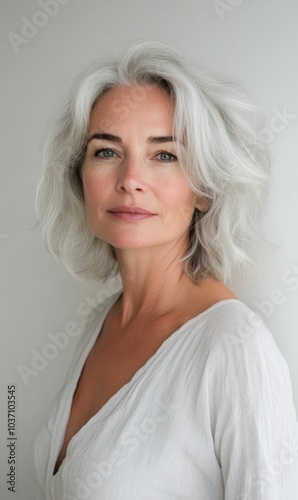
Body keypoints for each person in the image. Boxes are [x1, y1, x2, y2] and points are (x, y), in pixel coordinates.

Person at [31, 40, 298, 499]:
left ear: (205, 190)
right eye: (107, 151)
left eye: (165, 155)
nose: (131, 178)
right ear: (80, 177)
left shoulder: (235, 348)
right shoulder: (101, 322)